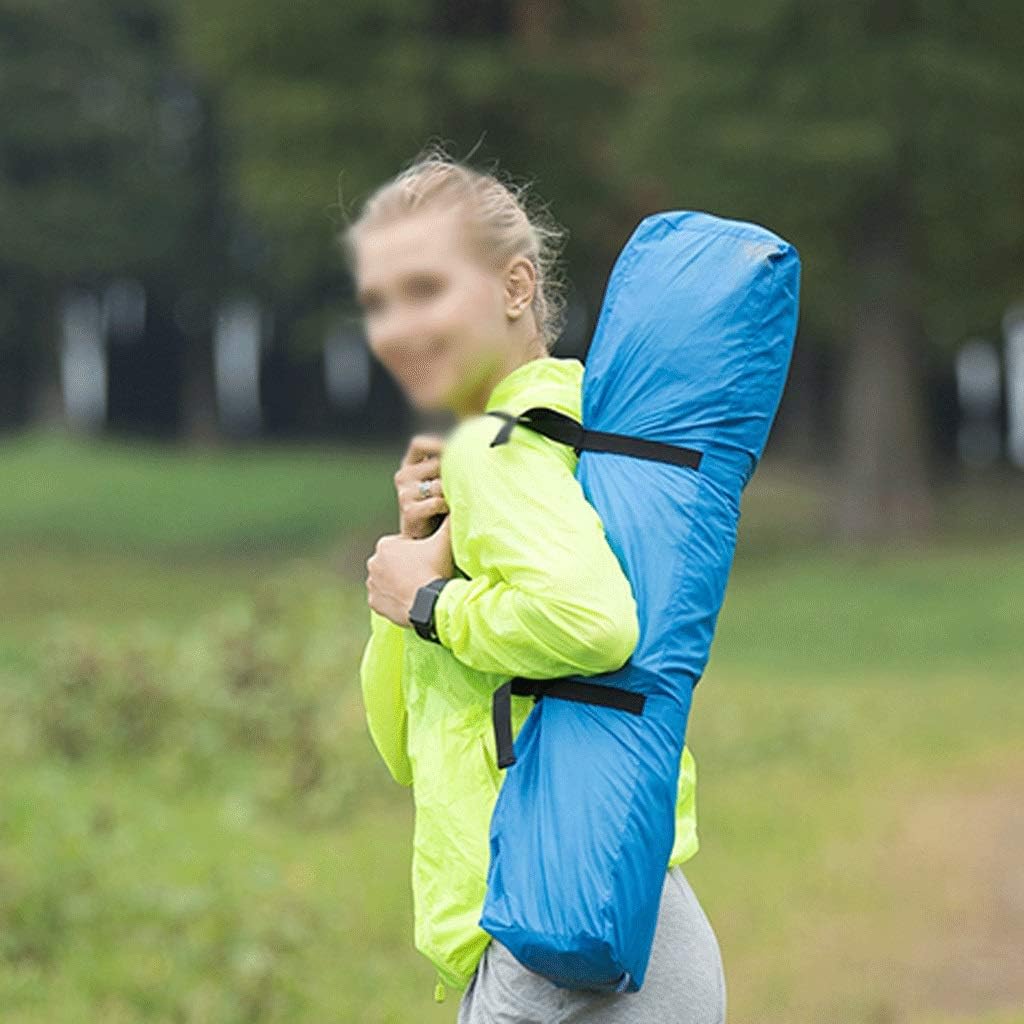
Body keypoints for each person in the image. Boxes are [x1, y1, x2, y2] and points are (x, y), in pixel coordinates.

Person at [343, 144, 726, 1023]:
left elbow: (593, 624)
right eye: (382, 301)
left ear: (517, 290)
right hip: (623, 896)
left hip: (545, 924)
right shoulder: (561, 436)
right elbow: (403, 745)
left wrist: (428, 602)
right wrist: (416, 567)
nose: (399, 327)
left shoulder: (497, 446)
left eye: (428, 289)